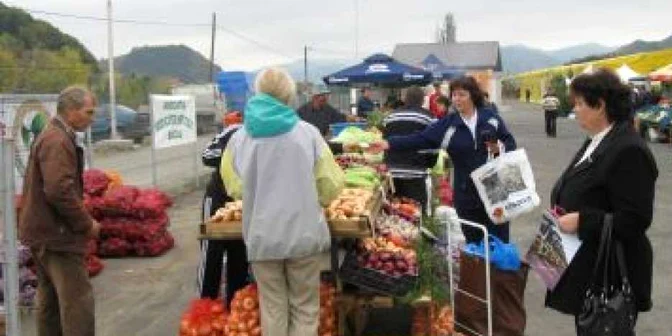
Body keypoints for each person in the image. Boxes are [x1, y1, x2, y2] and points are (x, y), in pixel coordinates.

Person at [220, 67, 344, 336]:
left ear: (259, 93)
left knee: (273, 308)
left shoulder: (239, 139)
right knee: (305, 307)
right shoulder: (308, 134)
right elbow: (331, 186)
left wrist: (260, 192)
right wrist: (311, 198)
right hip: (303, 234)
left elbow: (234, 187)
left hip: (262, 236)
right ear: (289, 95)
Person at [547, 69, 657, 334]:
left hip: (610, 273)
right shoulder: (597, 140)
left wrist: (583, 220)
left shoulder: (628, 149)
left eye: (580, 103)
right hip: (588, 264)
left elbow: (635, 218)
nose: (575, 109)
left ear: (600, 106)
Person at [370, 76, 516, 243]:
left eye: (462, 95)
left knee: (500, 241)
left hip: (495, 190)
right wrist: (389, 143)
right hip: (466, 194)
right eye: (454, 95)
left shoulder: (491, 119)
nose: (456, 99)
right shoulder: (448, 125)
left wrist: (499, 148)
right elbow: (420, 139)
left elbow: (509, 143)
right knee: (475, 243)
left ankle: (500, 268)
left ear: (473, 95)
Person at [19, 86, 101, 336]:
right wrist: (86, 224)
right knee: (77, 303)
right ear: (71, 111)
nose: (92, 118)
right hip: (58, 235)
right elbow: (58, 190)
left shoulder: (52, 134)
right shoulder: (57, 140)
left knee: (50, 302)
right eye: (88, 112)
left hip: (43, 232)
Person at [198, 112, 249, 307]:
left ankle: (234, 309)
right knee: (212, 253)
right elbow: (207, 156)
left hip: (243, 204)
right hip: (219, 200)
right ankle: (205, 308)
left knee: (240, 256)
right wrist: (234, 152)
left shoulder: (272, 135)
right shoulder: (234, 132)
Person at [382, 86, 437, 211]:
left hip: (392, 173)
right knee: (416, 213)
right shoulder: (430, 118)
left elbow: (385, 143)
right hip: (415, 174)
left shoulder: (390, 117)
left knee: (394, 212)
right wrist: (429, 164)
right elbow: (433, 147)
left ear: (404, 99)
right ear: (423, 101)